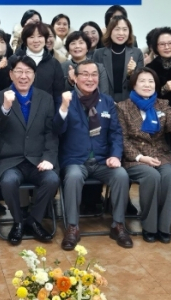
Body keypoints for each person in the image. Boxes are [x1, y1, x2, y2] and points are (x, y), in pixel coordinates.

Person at [53, 60, 132, 250]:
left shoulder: (107, 101)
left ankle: (118, 225)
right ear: (75, 77)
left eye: (94, 74)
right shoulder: (64, 99)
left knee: (121, 175)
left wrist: (115, 155)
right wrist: (63, 108)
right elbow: (56, 130)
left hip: (102, 160)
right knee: (73, 177)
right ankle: (72, 227)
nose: (90, 79)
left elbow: (115, 133)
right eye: (85, 74)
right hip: (75, 160)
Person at [0, 55, 60, 245]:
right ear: (11, 74)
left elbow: (51, 133)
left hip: (38, 160)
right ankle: (18, 222)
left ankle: (34, 220)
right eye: (19, 71)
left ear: (34, 75)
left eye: (28, 72)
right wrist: (5, 108)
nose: (23, 76)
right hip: (10, 160)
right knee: (8, 181)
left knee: (52, 179)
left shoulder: (45, 98)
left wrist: (49, 158)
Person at [117, 68, 171, 243]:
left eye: (151, 81)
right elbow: (122, 139)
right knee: (151, 176)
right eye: (142, 81)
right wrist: (140, 158)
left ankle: (164, 227)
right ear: (134, 84)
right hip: (135, 158)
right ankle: (149, 226)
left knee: (170, 177)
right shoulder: (123, 107)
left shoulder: (162, 104)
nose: (147, 85)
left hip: (160, 155)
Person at [93, 15, 144, 102]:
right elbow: (95, 80)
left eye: (125, 29)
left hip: (130, 102)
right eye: (117, 29)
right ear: (110, 31)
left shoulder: (137, 53)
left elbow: (141, 82)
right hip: (105, 101)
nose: (121, 33)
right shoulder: (98, 53)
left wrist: (131, 73)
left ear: (129, 32)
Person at [14, 22, 64, 106]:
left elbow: (58, 95)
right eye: (31, 37)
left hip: (46, 110)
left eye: (40, 36)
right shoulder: (14, 60)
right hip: (19, 109)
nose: (36, 40)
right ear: (25, 40)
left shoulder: (54, 63)